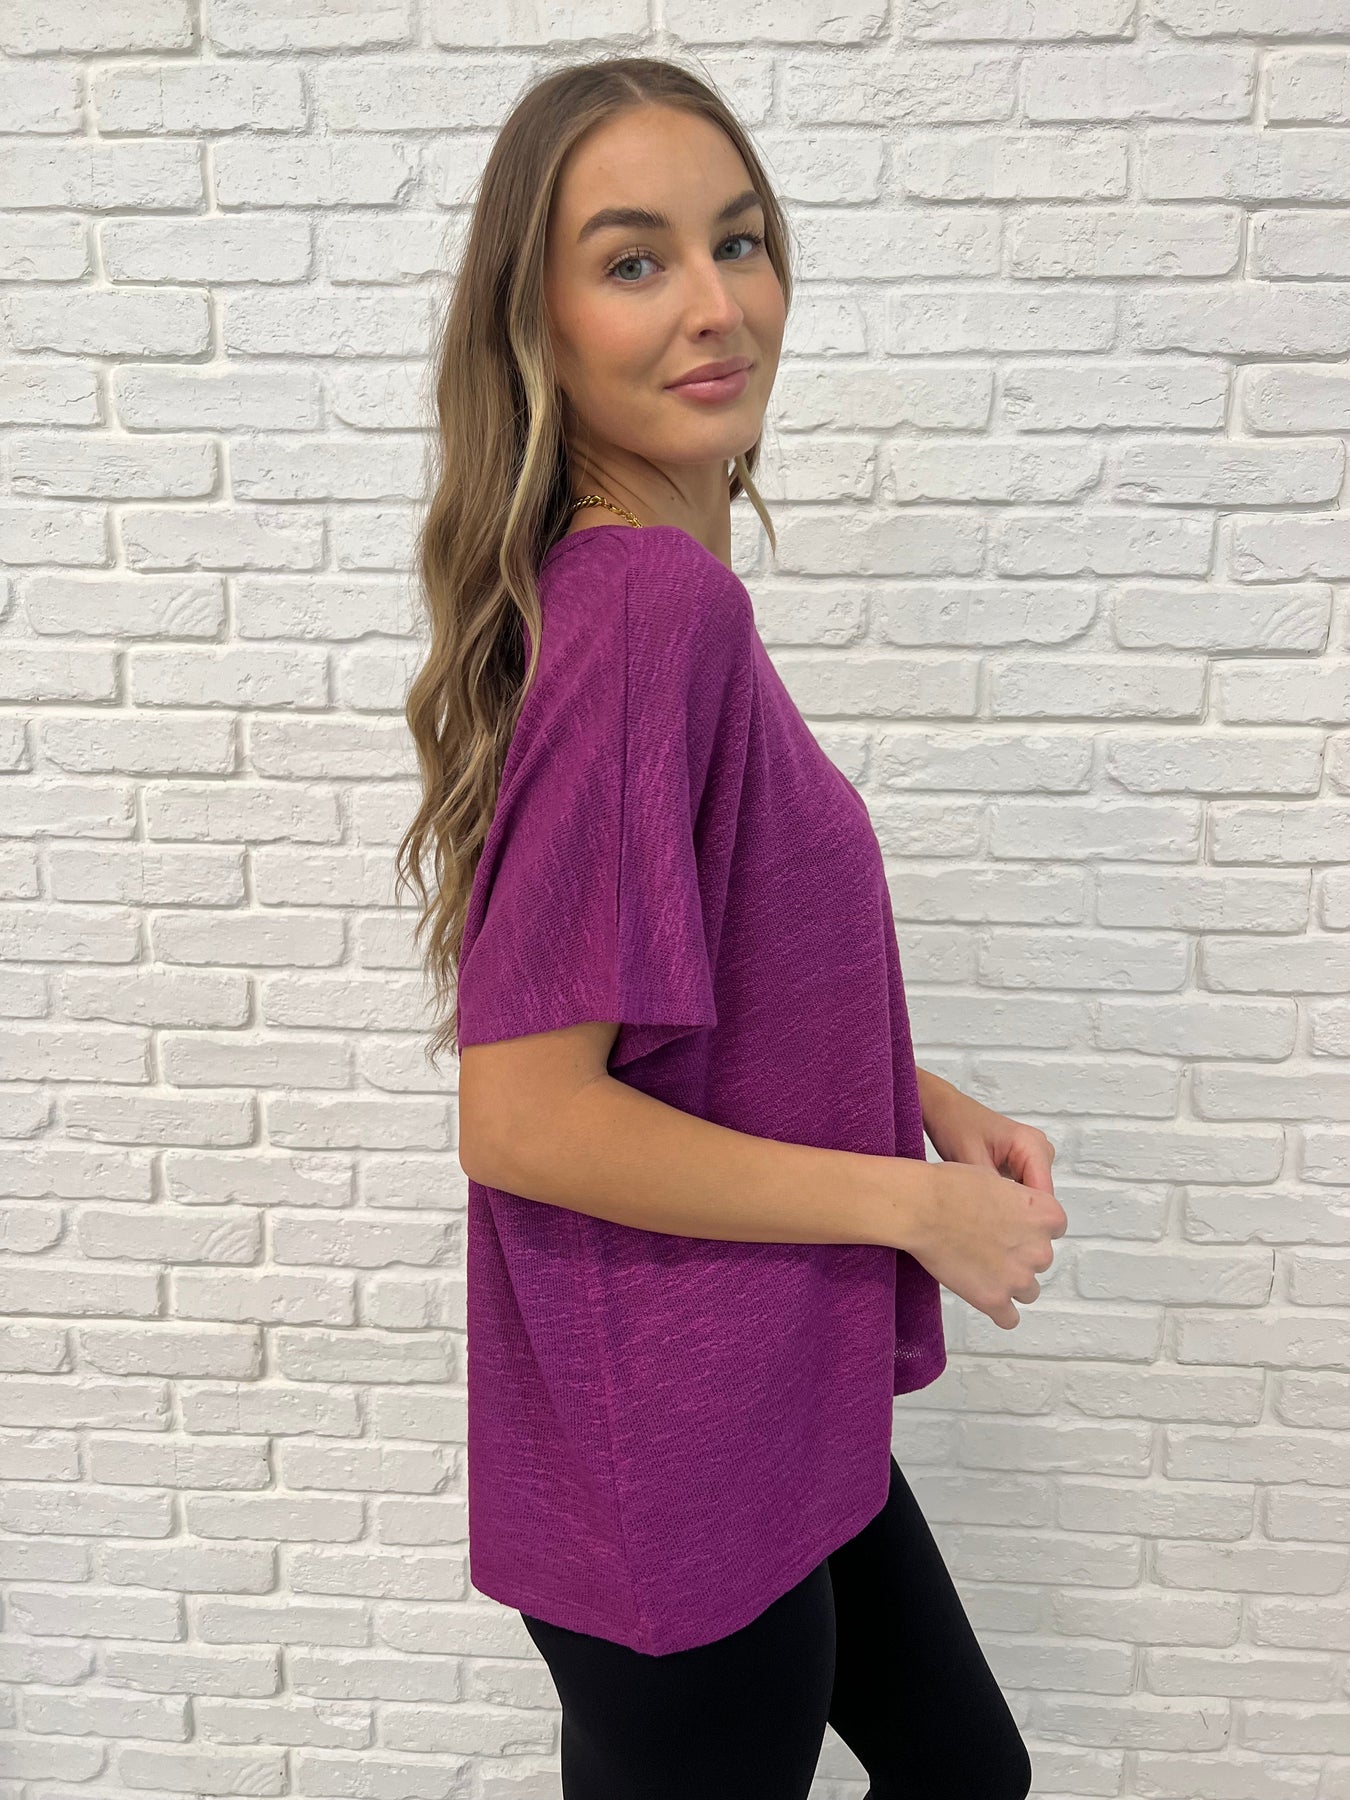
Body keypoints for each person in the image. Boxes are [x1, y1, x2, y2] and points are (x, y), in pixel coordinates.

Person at [396, 52, 1064, 1800]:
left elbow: (705, 985)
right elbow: (524, 1113)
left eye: (739, 241)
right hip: (675, 1443)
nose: (717, 305)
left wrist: (918, 1100)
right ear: (535, 322)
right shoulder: (644, 616)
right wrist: (911, 1205)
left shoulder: (660, 598)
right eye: (634, 261)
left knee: (965, 1774)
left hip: (762, 1393)